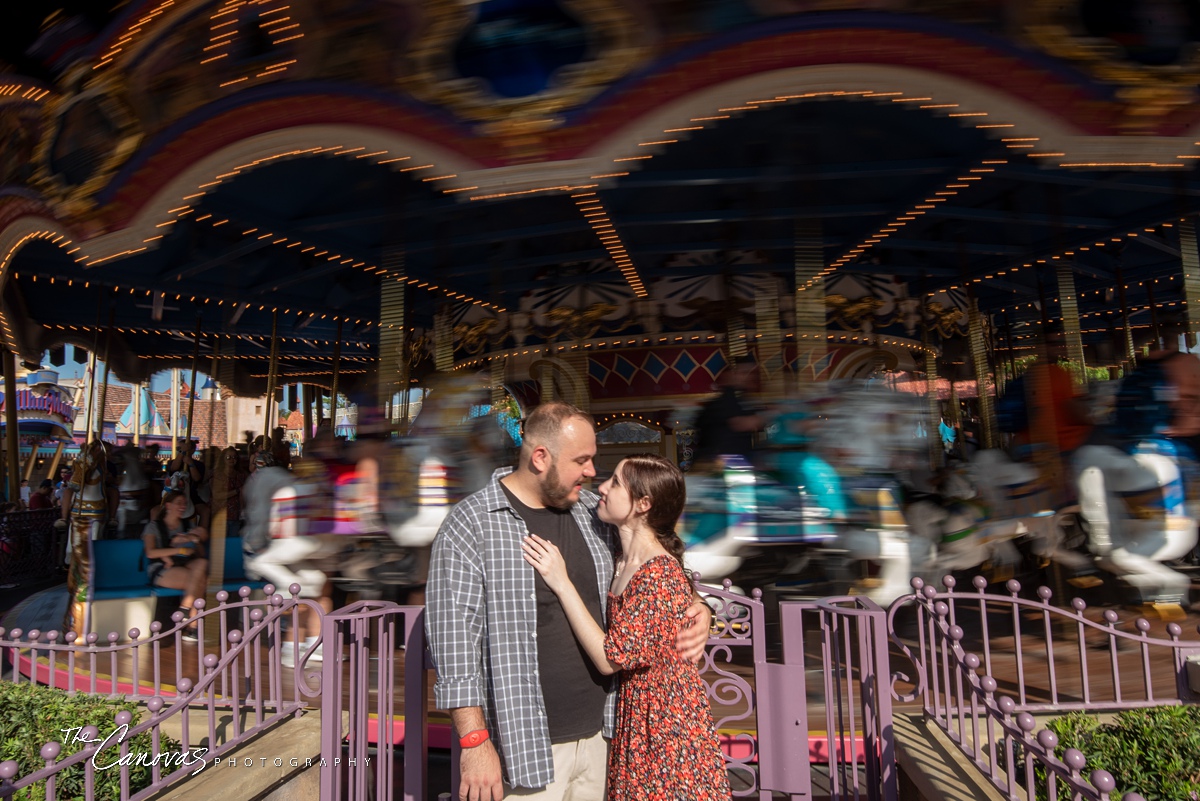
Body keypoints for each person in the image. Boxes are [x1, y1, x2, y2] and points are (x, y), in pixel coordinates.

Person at [426, 401, 713, 801]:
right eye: (582, 460)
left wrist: (699, 605)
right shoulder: (471, 524)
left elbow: (652, 561)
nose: (593, 472)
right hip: (525, 744)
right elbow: (455, 644)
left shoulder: (592, 514)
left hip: (605, 736)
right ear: (541, 457)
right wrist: (474, 742)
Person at [522, 454, 731, 801]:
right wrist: (701, 605)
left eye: (615, 483)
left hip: (665, 723)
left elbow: (610, 658)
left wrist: (561, 581)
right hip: (638, 714)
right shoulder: (621, 557)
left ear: (643, 504)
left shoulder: (657, 572)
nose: (602, 487)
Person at [142, 490, 208, 639]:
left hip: (186, 564)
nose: (183, 506)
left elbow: (201, 553)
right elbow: (150, 552)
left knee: (202, 563)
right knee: (201, 580)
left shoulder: (187, 525)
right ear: (168, 505)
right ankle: (192, 627)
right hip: (162, 568)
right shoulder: (154, 526)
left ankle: (185, 608)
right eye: (179, 503)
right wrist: (179, 549)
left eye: (184, 503)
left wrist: (195, 539)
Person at [691, 355, 766, 465]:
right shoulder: (725, 401)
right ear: (731, 375)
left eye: (751, 373)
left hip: (731, 462)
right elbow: (740, 423)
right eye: (744, 372)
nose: (749, 377)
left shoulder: (742, 399)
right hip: (722, 463)